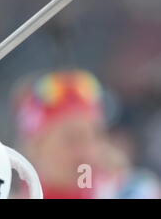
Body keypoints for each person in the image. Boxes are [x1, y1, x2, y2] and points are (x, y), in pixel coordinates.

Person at [11, 69, 160, 199]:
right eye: (72, 139)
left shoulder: (133, 191)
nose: (88, 151)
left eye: (97, 135)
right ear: (34, 146)